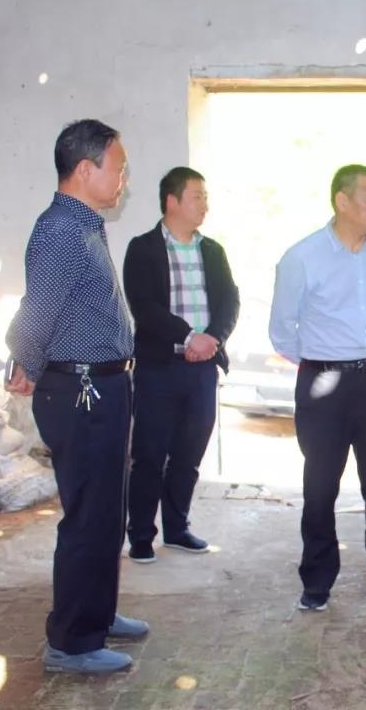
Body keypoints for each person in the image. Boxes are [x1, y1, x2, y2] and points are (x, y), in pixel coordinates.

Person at [4, 119, 148, 674]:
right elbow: (36, 314)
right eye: (119, 168)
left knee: (108, 511)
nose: (124, 179)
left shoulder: (85, 223)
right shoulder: (61, 229)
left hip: (105, 384)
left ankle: (98, 614)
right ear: (86, 170)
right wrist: (26, 362)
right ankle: (71, 642)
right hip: (80, 390)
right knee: (88, 516)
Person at [269, 164, 366, 611]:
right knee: (320, 486)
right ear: (342, 200)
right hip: (322, 384)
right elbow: (282, 329)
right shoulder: (302, 257)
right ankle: (316, 582)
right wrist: (325, 360)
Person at [122, 167, 240, 564]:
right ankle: (141, 535)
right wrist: (190, 337)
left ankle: (177, 528)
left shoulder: (213, 251)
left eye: (205, 197)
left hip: (202, 368)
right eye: (197, 196)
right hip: (158, 367)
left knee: (189, 454)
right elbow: (144, 307)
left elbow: (230, 301)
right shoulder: (143, 249)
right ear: (172, 201)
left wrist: (213, 340)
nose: (205, 205)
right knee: (149, 455)